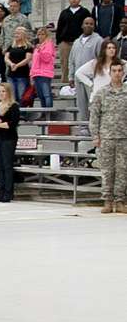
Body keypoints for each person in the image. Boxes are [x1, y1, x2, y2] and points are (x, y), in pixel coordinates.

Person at [90, 60, 127, 212]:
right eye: (114, 71)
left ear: (123, 73)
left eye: (120, 70)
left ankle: (120, 201)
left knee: (123, 170)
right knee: (107, 170)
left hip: (124, 137)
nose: (117, 73)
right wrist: (95, 135)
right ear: (110, 73)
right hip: (106, 136)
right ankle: (107, 201)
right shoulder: (102, 92)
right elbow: (94, 115)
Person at [74, 40, 119, 127]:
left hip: (114, 99)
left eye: (113, 48)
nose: (112, 50)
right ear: (104, 50)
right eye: (109, 48)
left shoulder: (121, 63)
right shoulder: (95, 63)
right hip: (97, 99)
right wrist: (91, 84)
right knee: (98, 126)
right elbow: (79, 73)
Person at [0, 84, 20, 203]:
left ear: (8, 93)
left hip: (9, 138)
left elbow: (12, 124)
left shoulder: (13, 106)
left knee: (7, 165)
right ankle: (1, 192)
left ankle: (8, 192)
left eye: (3, 91)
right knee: (0, 165)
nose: (1, 93)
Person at [69, 17, 103, 123]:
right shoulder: (76, 42)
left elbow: (101, 60)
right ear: (82, 25)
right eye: (86, 23)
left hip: (91, 79)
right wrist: (71, 76)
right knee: (81, 103)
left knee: (93, 103)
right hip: (78, 79)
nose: (88, 25)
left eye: (91, 24)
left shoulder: (99, 40)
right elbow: (71, 60)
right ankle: (83, 126)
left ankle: (95, 126)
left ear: (94, 26)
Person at [55, 0, 89, 86]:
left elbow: (89, 25)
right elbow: (60, 26)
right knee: (65, 63)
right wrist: (59, 41)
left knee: (80, 62)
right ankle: (65, 83)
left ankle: (80, 82)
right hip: (65, 42)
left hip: (80, 42)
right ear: (69, 0)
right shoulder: (64, 12)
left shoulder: (85, 12)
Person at [29, 26, 56, 110]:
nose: (40, 36)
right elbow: (34, 61)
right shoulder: (37, 47)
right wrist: (31, 73)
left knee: (46, 94)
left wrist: (40, 49)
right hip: (36, 73)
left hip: (45, 73)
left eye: (42, 34)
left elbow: (47, 58)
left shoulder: (49, 44)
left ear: (46, 35)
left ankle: (48, 112)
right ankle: (43, 112)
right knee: (40, 95)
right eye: (39, 34)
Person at [5, 28, 33, 106]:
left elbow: (28, 59)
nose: (16, 35)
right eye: (15, 33)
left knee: (21, 96)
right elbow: (6, 57)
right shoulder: (11, 46)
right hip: (11, 74)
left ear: (23, 35)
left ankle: (22, 114)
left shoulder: (28, 47)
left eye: (18, 33)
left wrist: (17, 65)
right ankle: (15, 113)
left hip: (22, 75)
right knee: (12, 96)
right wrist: (11, 64)